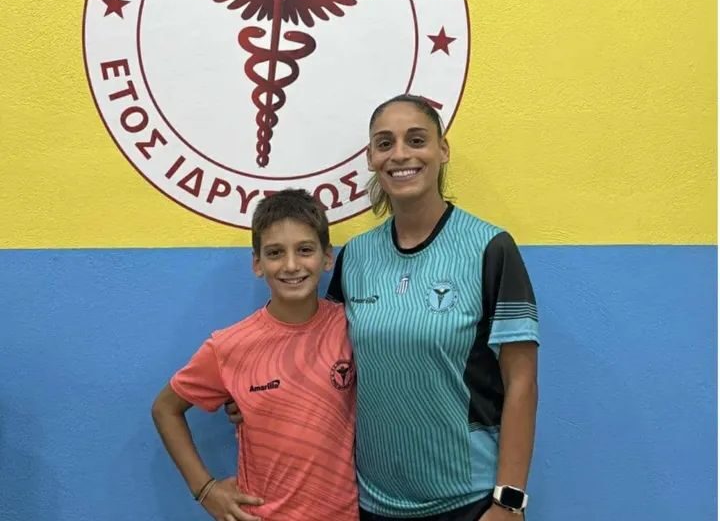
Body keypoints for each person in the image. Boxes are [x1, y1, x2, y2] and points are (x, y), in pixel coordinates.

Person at [227, 94, 540, 521]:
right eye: (385, 143)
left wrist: (509, 501)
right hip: (372, 501)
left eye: (417, 140)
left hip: (469, 499)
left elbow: (522, 382)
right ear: (372, 158)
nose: (401, 154)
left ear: (443, 150)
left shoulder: (490, 248)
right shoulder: (356, 257)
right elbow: (328, 361)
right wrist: (260, 394)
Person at [151, 189, 359, 521]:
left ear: (327, 257)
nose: (291, 265)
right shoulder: (229, 347)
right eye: (275, 253)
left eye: (305, 250)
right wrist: (206, 490)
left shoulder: (352, 326)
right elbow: (165, 409)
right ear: (257, 264)